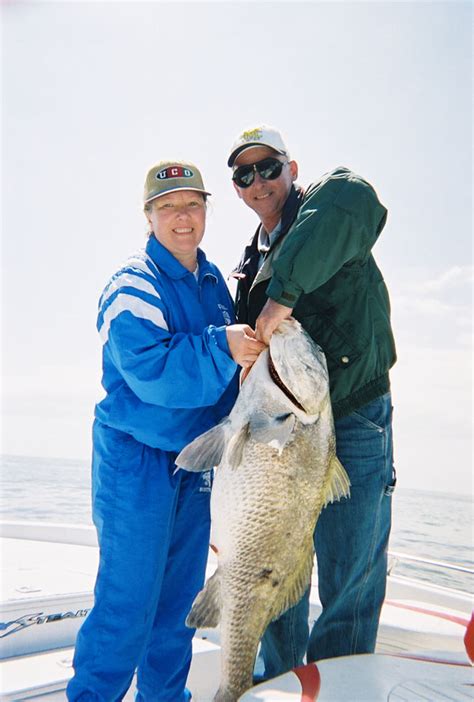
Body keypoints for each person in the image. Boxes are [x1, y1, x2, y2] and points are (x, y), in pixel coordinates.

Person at [67, 160, 265, 702]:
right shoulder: (132, 282)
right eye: (169, 206)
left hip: (197, 464)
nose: (183, 217)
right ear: (148, 217)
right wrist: (223, 346)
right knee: (127, 604)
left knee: (179, 610)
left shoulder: (214, 284)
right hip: (136, 462)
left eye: (193, 204)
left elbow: (229, 386)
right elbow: (152, 374)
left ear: (206, 210)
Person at [227, 126, 397, 679]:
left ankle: (338, 686)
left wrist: (281, 299)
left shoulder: (328, 205)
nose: (259, 181)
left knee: (350, 576)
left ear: (292, 170)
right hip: (284, 434)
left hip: (353, 420)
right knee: (275, 565)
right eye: (244, 174)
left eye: (269, 167)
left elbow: (358, 198)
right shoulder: (248, 265)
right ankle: (271, 683)